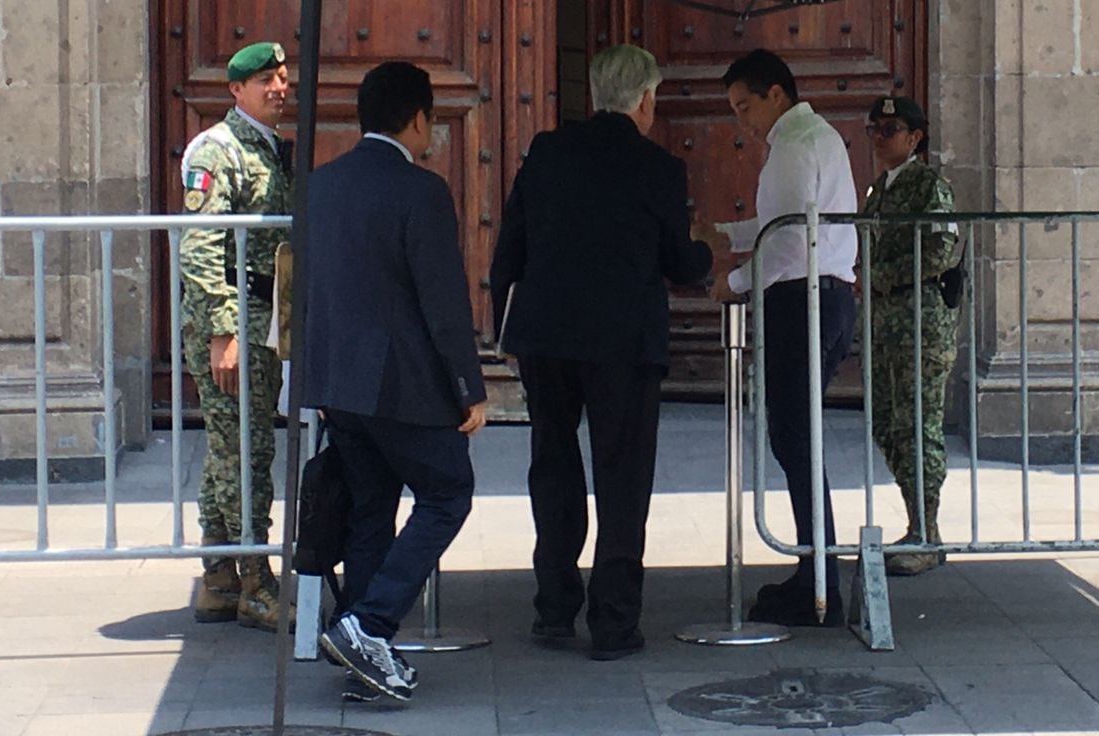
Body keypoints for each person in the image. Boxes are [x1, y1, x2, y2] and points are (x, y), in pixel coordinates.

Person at [489, 44, 711, 661]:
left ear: (595, 94)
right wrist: (709, 253)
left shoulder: (548, 152)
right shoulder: (658, 167)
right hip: (623, 343)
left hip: (548, 337)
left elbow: (511, 248)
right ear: (644, 99)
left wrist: (502, 328)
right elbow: (678, 262)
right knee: (622, 476)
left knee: (553, 465)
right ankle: (613, 622)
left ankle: (554, 607)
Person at [302, 61, 487, 702]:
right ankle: (368, 625)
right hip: (402, 383)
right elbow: (443, 301)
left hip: (337, 383)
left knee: (371, 509)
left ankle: (362, 653)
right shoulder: (421, 191)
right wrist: (469, 385)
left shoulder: (320, 186)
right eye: (432, 120)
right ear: (417, 119)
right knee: (448, 493)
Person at [710, 49, 857, 626]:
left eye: (746, 105)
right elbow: (783, 223)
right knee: (797, 438)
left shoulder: (796, 145)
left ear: (776, 94)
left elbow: (792, 240)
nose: (742, 120)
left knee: (796, 439)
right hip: (821, 297)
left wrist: (736, 282)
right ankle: (813, 571)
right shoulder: (811, 139)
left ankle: (818, 581)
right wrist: (724, 232)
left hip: (805, 300)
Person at [179, 40, 293, 631]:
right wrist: (223, 332)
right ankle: (256, 582)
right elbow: (200, 248)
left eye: (281, 77)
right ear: (236, 91)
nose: (279, 87)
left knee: (231, 449)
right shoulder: (218, 150)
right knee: (247, 452)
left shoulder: (268, 149)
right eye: (266, 80)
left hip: (258, 318)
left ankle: (219, 576)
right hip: (233, 319)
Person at [859, 96, 959, 576]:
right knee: (889, 423)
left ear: (915, 137)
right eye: (873, 129)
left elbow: (941, 250)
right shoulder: (879, 190)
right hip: (886, 325)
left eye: (889, 129)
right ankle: (915, 523)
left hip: (921, 321)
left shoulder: (928, 187)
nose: (879, 137)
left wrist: (883, 275)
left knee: (919, 425)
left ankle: (927, 531)